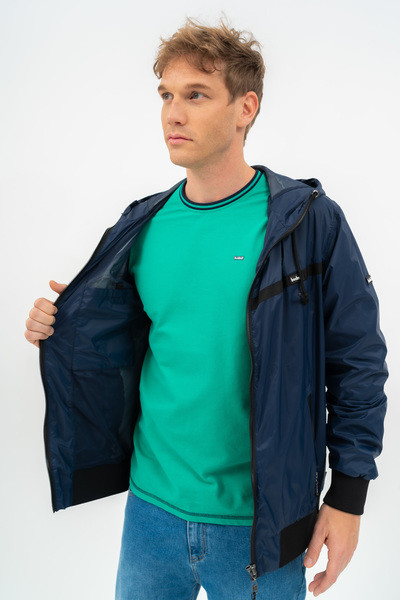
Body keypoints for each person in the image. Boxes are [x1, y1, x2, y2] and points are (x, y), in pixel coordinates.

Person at [24, 15, 388, 600]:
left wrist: (348, 498)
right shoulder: (142, 223)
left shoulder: (306, 221)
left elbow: (358, 362)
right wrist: (59, 324)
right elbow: (120, 335)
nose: (173, 113)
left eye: (196, 95)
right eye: (166, 95)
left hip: (260, 525)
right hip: (150, 516)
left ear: (246, 107)